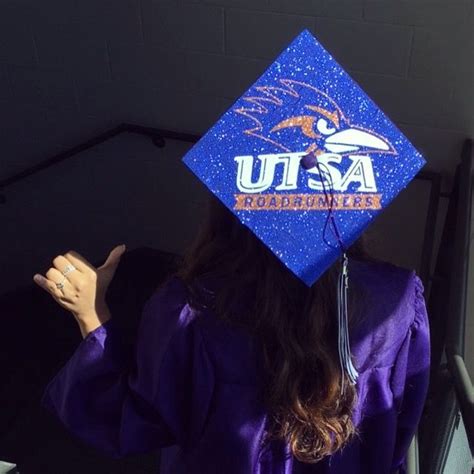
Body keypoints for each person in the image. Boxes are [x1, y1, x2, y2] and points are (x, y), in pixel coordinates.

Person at [34, 195, 430, 474]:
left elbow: (135, 420)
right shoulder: (397, 299)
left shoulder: (191, 309)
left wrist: (92, 312)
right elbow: (401, 418)